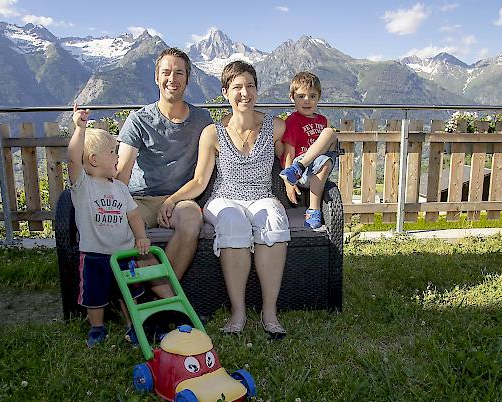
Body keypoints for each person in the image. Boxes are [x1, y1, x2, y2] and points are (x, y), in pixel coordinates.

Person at [159, 60, 290, 339]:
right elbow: (199, 181)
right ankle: (238, 312)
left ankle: (269, 312)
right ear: (226, 92)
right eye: (237, 87)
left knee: (274, 220)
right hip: (224, 197)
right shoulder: (213, 133)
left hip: (261, 196)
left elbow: (292, 152)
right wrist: (171, 200)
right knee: (232, 221)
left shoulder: (275, 127)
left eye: (250, 86)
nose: (245, 93)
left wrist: (294, 174)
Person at [116, 47, 213, 284]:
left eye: (179, 73)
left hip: (181, 199)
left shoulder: (202, 120)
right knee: (119, 227)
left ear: (187, 79)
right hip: (140, 200)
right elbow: (122, 174)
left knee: (191, 220)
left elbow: (200, 178)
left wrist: (172, 201)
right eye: (166, 72)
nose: (172, 79)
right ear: (156, 77)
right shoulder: (138, 120)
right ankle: (161, 299)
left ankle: (163, 296)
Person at [68, 105, 151, 348]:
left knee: (130, 293)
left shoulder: (120, 188)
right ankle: (97, 327)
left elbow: (134, 216)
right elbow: (73, 159)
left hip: (124, 253)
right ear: (94, 159)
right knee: (94, 296)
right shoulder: (83, 186)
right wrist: (80, 128)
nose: (118, 156)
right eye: (113, 152)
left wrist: (141, 237)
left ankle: (132, 326)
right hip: (94, 255)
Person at [278, 71, 339, 229]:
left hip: (319, 167)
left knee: (329, 140)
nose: (307, 101)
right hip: (300, 169)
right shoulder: (293, 121)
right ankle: (298, 168)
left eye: (312, 96)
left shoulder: (322, 120)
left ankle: (313, 212)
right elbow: (289, 152)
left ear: (319, 97)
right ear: (292, 97)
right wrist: (288, 183)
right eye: (301, 96)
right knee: (330, 133)